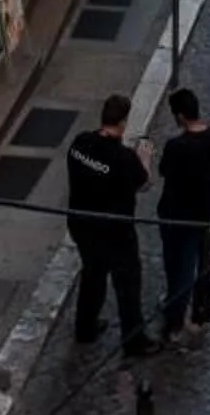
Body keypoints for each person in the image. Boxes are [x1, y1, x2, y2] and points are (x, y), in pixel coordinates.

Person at [66, 97, 158, 355]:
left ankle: (85, 328)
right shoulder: (124, 158)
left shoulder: (80, 144)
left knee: (93, 274)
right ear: (123, 122)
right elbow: (143, 182)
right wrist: (144, 157)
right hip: (115, 231)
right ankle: (134, 339)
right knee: (128, 282)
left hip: (82, 225)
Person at [157, 86, 210, 338]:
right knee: (191, 261)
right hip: (201, 209)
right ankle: (185, 306)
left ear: (181, 116)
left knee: (178, 265)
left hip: (175, 211)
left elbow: (164, 170)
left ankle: (174, 318)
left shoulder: (177, 145)